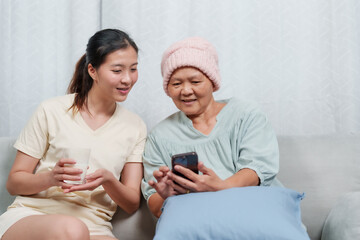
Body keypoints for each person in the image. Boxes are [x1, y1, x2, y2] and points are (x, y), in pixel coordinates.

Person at [0, 29, 147, 240]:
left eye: (133, 69)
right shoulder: (51, 110)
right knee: (73, 230)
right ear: (92, 70)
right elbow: (14, 183)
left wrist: (109, 181)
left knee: (78, 230)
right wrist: (51, 178)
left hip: (94, 226)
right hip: (33, 217)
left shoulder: (135, 126)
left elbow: (132, 203)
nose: (127, 79)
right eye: (117, 70)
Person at [141, 37, 281, 218]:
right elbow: (154, 204)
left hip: (255, 212)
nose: (185, 90)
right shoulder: (159, 136)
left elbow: (258, 169)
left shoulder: (245, 114)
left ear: (212, 82)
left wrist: (220, 187)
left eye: (195, 81)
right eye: (176, 84)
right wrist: (167, 196)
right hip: (200, 223)